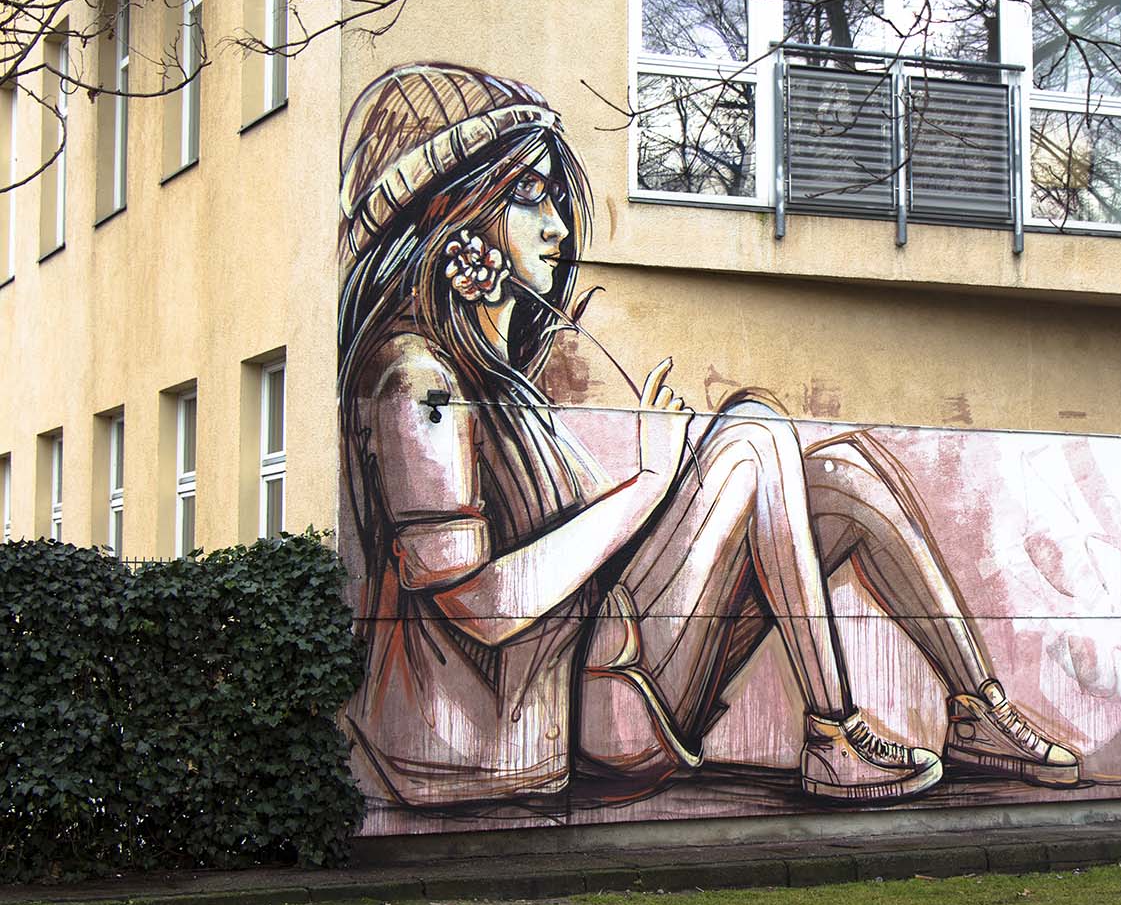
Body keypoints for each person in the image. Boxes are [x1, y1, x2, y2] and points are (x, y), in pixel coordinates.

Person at [337, 63, 1079, 810]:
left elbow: (578, 560)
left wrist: (673, 490)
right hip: (547, 727)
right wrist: (651, 485)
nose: (558, 225)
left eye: (555, 196)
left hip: (600, 679)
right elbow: (482, 606)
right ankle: (832, 734)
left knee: (842, 477)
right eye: (529, 195)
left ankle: (977, 711)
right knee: (754, 435)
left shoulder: (492, 377)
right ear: (453, 214)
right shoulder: (416, 379)